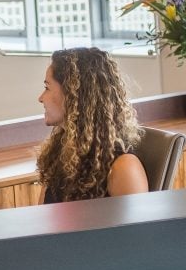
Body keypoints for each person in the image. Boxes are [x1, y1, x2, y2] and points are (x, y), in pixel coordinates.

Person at [37, 47, 149, 203]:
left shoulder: (123, 168)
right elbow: (43, 218)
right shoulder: (60, 154)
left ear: (73, 95)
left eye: (47, 88)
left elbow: (139, 227)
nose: (41, 98)